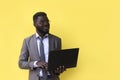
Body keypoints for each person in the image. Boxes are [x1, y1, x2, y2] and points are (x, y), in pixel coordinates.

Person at [18, 12, 66, 80]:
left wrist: (58, 70)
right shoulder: (27, 41)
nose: (46, 24)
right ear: (34, 24)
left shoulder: (56, 40)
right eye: (42, 22)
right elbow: (21, 63)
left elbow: (57, 63)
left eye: (47, 21)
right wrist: (36, 63)